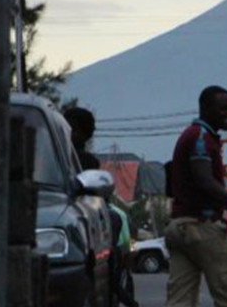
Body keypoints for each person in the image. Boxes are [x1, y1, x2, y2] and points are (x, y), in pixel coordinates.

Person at [164, 85, 227, 307]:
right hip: (202, 226)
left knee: (179, 301)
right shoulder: (201, 138)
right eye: (223, 109)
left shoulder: (194, 135)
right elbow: (205, 181)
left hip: (180, 227)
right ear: (205, 108)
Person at [64, 107, 138, 307]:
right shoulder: (57, 156)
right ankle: (116, 287)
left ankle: (116, 286)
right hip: (81, 230)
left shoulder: (85, 161)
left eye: (71, 128)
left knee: (112, 224)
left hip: (94, 229)